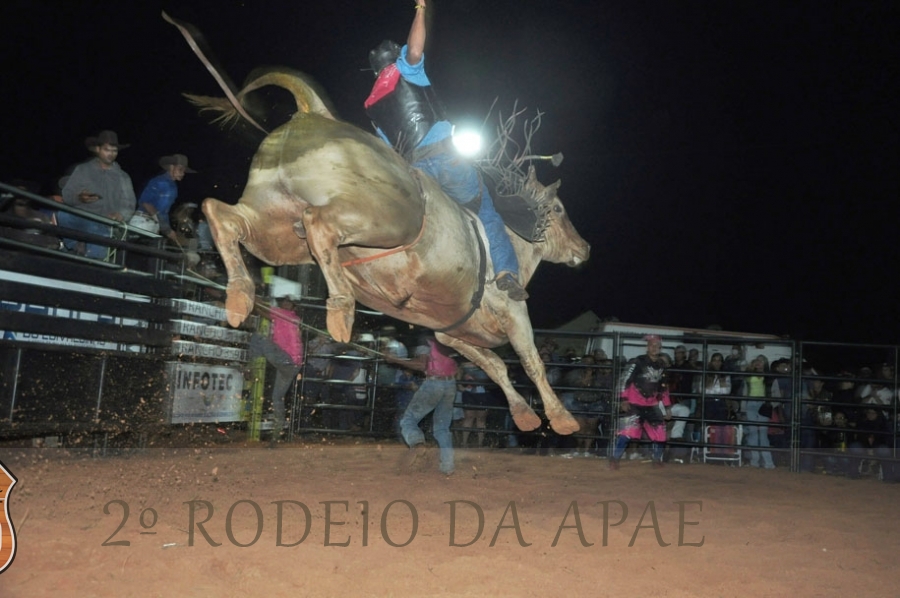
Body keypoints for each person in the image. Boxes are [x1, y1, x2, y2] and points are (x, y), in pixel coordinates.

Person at [363, 0, 527, 301]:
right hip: (447, 160)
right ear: (393, 58)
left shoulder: (373, 104)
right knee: (487, 213)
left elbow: (388, 151)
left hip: (417, 172)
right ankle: (507, 272)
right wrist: (421, 8)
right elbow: (414, 51)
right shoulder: (405, 71)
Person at [385, 334, 459, 475]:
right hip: (450, 383)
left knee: (408, 421)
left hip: (434, 382)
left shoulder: (424, 339)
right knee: (442, 428)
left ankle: (418, 443)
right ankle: (448, 466)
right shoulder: (446, 337)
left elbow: (421, 364)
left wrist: (395, 360)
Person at [59, 130, 136, 259]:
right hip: (83, 218)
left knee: (97, 230)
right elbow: (66, 195)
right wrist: (79, 198)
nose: (111, 154)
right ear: (97, 149)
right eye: (107, 150)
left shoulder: (123, 177)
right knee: (63, 215)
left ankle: (93, 260)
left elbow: (130, 203)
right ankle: (75, 246)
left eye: (114, 151)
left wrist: (120, 215)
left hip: (105, 223)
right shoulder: (82, 170)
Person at [609, 335, 672, 470]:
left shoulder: (662, 366)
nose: (654, 348)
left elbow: (664, 388)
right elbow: (624, 380)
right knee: (626, 432)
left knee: (661, 433)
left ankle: (656, 459)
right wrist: (624, 399)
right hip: (634, 403)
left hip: (651, 404)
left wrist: (667, 407)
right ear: (647, 347)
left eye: (657, 346)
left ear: (660, 348)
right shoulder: (637, 362)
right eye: (652, 345)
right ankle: (614, 458)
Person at [247, 297, 303, 442]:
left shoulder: (284, 314)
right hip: (292, 365)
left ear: (293, 306)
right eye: (283, 301)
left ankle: (251, 367)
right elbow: (262, 310)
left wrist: (250, 298)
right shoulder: (292, 318)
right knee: (277, 398)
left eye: (287, 302)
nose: (284, 304)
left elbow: (261, 308)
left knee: (259, 338)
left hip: (287, 359)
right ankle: (277, 433)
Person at [131, 154, 196, 243]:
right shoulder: (159, 181)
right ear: (171, 167)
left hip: (153, 224)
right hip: (142, 222)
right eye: (180, 169)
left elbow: (164, 212)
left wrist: (166, 228)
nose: (183, 173)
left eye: (184, 170)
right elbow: (146, 203)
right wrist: (166, 228)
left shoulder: (173, 187)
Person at [741, 355, 776, 469]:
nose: (758, 363)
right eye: (757, 361)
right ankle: (754, 461)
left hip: (763, 404)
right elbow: (745, 390)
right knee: (753, 433)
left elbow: (774, 392)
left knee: (762, 433)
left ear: (765, 363)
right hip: (751, 402)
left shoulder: (769, 376)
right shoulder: (749, 374)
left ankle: (768, 462)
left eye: (761, 361)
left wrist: (771, 404)